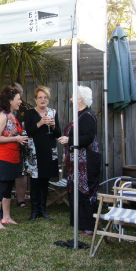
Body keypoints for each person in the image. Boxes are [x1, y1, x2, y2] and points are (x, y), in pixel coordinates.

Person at [58, 86, 101, 236]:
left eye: (73, 96)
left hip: (87, 161)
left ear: (81, 99)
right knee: (75, 189)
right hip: (76, 160)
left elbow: (88, 138)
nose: (70, 99)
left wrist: (69, 140)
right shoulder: (79, 115)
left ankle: (89, 226)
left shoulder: (87, 116)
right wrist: (68, 152)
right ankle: (78, 222)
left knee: (86, 190)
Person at [0, 87, 28, 229]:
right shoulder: (2, 116)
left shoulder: (13, 115)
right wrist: (16, 139)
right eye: (18, 99)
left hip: (13, 157)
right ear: (10, 100)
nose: (20, 101)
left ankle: (6, 217)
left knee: (8, 188)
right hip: (3, 157)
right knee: (0, 188)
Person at [24, 86, 61, 221]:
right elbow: (28, 131)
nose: (43, 99)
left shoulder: (53, 112)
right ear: (35, 99)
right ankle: (34, 212)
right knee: (34, 182)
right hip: (34, 151)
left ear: (48, 99)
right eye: (40, 97)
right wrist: (40, 123)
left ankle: (43, 211)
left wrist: (52, 126)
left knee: (45, 182)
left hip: (48, 151)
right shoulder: (29, 113)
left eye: (45, 97)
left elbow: (58, 134)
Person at [9, 82, 33, 208]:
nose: (12, 92)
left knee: (21, 172)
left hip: (22, 145)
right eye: (10, 90)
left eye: (15, 90)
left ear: (21, 93)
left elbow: (31, 127)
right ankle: (4, 198)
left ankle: (21, 200)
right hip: (6, 144)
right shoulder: (2, 109)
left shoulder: (27, 108)